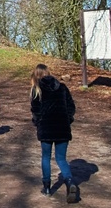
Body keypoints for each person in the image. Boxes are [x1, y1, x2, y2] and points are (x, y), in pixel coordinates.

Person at [30, 64, 77, 201]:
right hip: (62, 128)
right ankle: (70, 182)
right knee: (61, 158)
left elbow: (36, 111)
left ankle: (47, 188)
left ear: (36, 75)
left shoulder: (36, 89)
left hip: (46, 129)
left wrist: (38, 123)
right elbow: (71, 107)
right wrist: (67, 120)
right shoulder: (62, 87)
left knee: (46, 157)